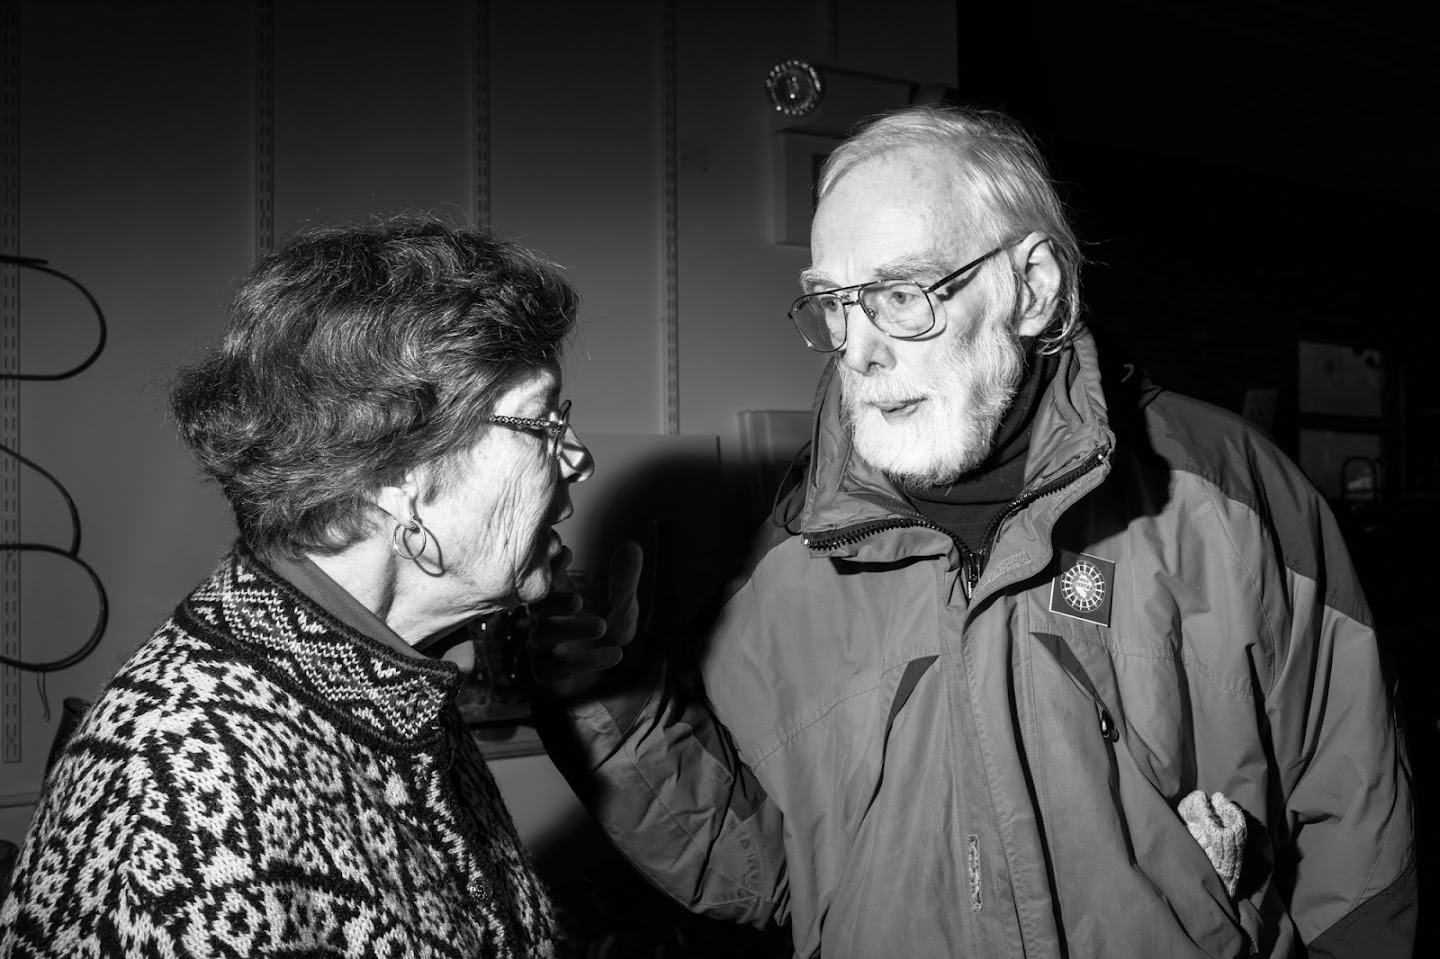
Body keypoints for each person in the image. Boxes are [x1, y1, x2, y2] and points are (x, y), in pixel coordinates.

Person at [529, 106, 1416, 958]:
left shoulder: (1232, 496)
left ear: (1033, 287)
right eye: (834, 302)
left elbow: (1361, 843)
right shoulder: (790, 555)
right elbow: (760, 865)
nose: (858, 350)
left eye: (901, 293)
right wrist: (610, 704)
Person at [0, 218, 593, 958]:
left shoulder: (389, 687)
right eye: (542, 422)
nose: (579, 457)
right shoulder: (181, 786)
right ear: (397, 472)